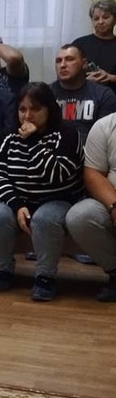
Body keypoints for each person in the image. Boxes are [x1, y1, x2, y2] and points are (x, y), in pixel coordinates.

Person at [0, 83, 84, 301]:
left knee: (44, 219)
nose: (27, 116)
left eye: (35, 109)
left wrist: (34, 141)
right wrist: (17, 204)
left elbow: (57, 174)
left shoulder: (67, 134)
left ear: (49, 109)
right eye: (22, 109)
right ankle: (1, 271)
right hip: (18, 198)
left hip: (58, 198)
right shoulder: (7, 136)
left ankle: (45, 277)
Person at [65, 112, 116, 302]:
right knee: (80, 216)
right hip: (111, 197)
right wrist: (114, 206)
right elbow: (93, 174)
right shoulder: (105, 125)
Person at [51, 44, 116, 146]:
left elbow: (106, 137)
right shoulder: (45, 93)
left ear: (84, 64)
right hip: (51, 150)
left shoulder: (103, 95)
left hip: (91, 151)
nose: (62, 65)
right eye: (58, 61)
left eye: (69, 59)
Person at [75, 0, 116, 86]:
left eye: (105, 17)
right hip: (86, 92)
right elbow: (67, 75)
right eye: (96, 18)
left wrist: (111, 77)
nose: (100, 22)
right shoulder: (79, 44)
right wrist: (85, 80)